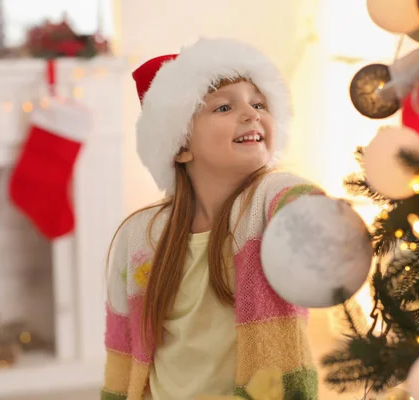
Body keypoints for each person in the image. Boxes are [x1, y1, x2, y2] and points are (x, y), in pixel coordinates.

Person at [102, 37, 335, 400]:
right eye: (224, 108)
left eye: (259, 103)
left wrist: (320, 220)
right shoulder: (139, 237)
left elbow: (296, 200)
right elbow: (122, 349)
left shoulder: (267, 200)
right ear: (180, 146)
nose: (251, 113)